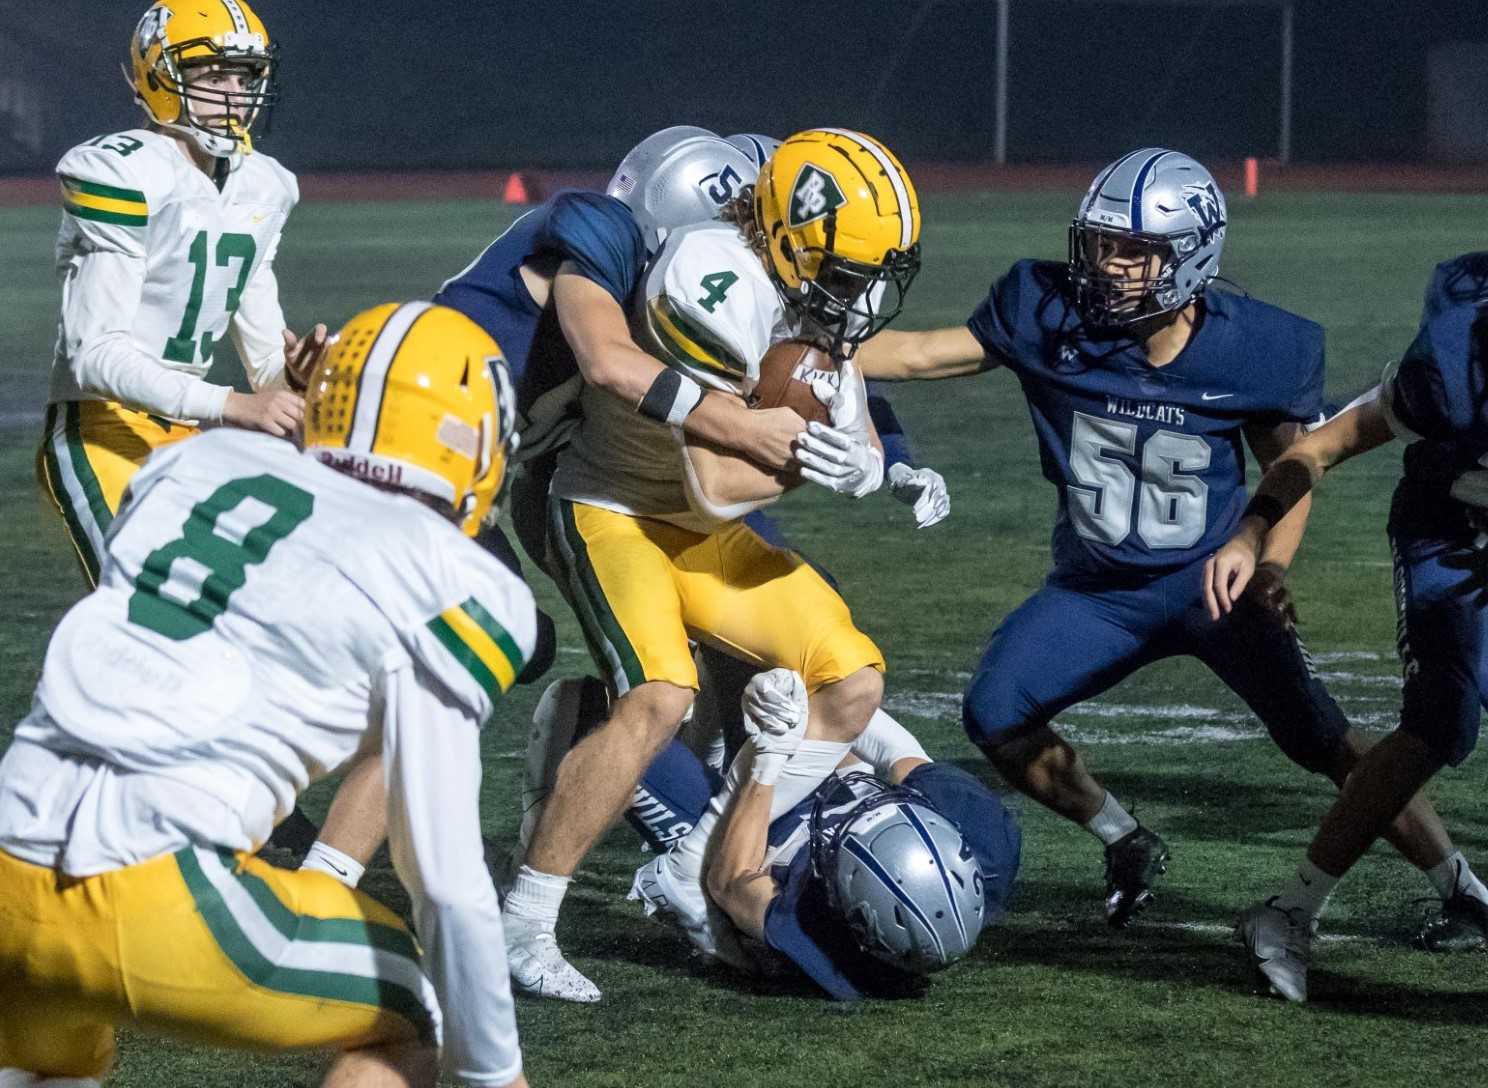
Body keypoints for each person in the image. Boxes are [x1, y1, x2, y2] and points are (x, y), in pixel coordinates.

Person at [854, 148, 1485, 931]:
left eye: (1135, 251)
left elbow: (1291, 467)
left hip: (1210, 587)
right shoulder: (1049, 316)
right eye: (1101, 244)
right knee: (996, 711)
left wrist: (1270, 566)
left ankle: (1458, 884)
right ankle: (1124, 837)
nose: (1110, 266)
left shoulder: (1253, 348)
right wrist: (800, 343)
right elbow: (918, 353)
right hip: (1097, 592)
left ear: (1191, 257)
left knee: (1325, 741)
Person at [0, 301, 537, 1087]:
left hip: (7, 852)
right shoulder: (450, 577)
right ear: (472, 443)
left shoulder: (195, 464)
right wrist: (493, 1073)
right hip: (158, 896)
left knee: (48, 1066)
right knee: (434, 1010)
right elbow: (445, 879)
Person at [500, 128, 921, 1003]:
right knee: (661, 694)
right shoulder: (709, 274)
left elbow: (849, 415)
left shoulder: (809, 291)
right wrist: (806, 458)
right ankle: (525, 922)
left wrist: (865, 461)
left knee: (851, 682)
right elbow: (722, 481)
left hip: (696, 531)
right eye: (849, 272)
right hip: (615, 508)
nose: (862, 296)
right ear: (791, 237)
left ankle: (690, 862)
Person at [1208, 251, 1488, 1001]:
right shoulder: (1449, 368)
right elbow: (1319, 447)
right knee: (1438, 722)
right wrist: (1255, 539)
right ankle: (1289, 912)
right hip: (1454, 536)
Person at [39, 1, 326, 588]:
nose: (234, 96)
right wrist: (234, 405)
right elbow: (95, 357)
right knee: (147, 606)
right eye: (213, 77)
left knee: (243, 605)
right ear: (160, 77)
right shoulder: (122, 172)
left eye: (244, 78)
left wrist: (294, 376)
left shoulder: (265, 184)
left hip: (189, 431)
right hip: (102, 428)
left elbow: (265, 367)